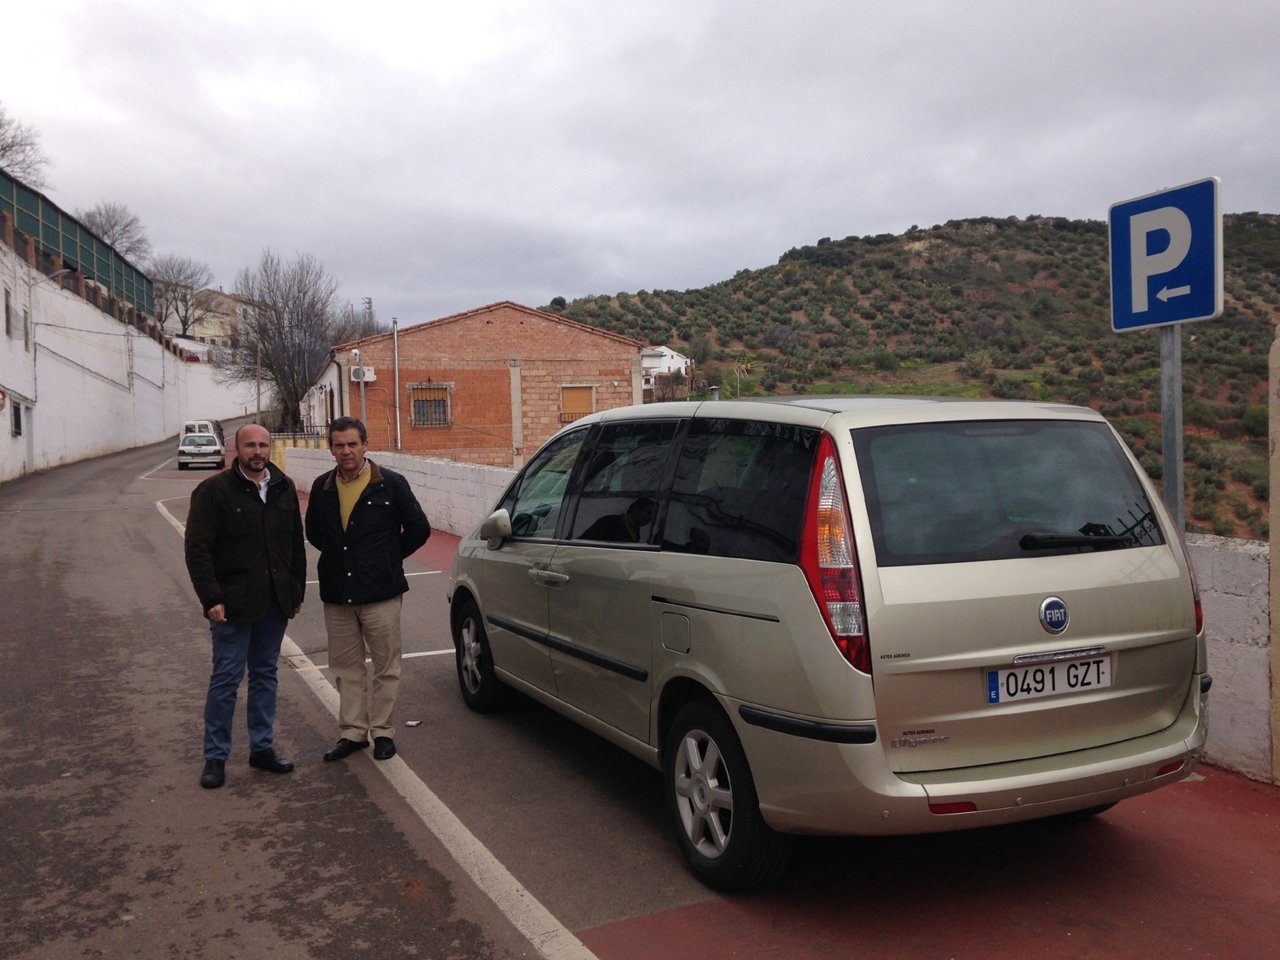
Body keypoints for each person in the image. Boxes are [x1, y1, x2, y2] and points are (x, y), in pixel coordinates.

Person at [184, 423, 306, 789]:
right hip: (232, 605)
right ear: (235, 448)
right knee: (226, 679)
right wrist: (211, 598)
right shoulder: (213, 491)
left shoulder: (282, 487)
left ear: (270, 449)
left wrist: (295, 592)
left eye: (263, 445)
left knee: (265, 674)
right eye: (250, 445)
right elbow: (197, 550)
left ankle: (262, 748)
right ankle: (215, 757)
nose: (257, 451)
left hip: (273, 602)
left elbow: (294, 545)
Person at [306, 417, 430, 762]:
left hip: (382, 593)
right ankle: (353, 732)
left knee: (386, 667)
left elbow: (419, 528)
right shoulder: (322, 487)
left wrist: (387, 558)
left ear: (364, 445)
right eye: (339, 445)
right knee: (346, 669)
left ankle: (384, 732)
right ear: (331, 449)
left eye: (352, 444)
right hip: (337, 593)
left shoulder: (391, 484)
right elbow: (314, 532)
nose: (346, 451)